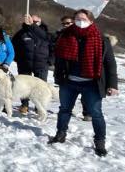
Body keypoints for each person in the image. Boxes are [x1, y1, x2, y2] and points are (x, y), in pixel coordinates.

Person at [49, 9, 118, 157]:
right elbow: (59, 59)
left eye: (83, 19)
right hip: (69, 82)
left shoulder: (101, 40)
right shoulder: (65, 36)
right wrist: (58, 77)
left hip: (92, 83)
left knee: (96, 113)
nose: (80, 22)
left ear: (91, 21)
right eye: (77, 19)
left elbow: (110, 64)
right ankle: (60, 134)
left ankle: (100, 141)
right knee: (64, 110)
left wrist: (112, 84)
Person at [12, 13, 52, 114]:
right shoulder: (21, 33)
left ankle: (39, 107)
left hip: (41, 64)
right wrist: (18, 59)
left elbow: (53, 46)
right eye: (31, 21)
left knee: (41, 86)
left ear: (40, 21)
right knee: (24, 86)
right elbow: (14, 46)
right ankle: (24, 105)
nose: (32, 23)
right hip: (25, 64)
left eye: (35, 22)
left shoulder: (46, 33)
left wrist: (50, 60)